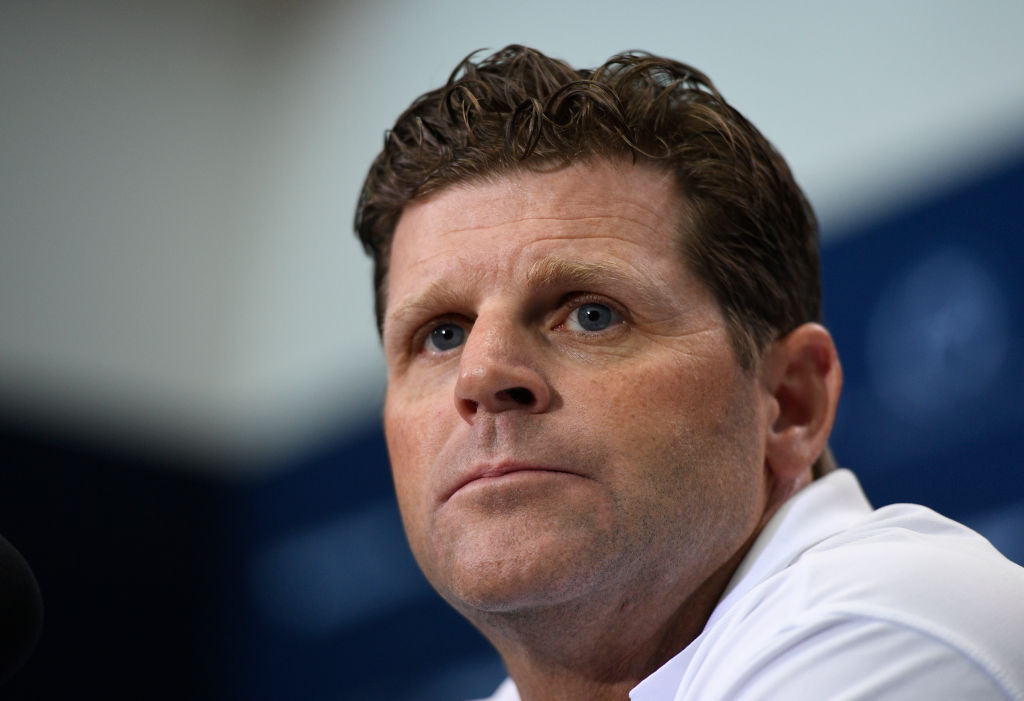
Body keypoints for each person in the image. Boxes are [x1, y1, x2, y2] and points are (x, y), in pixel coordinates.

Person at [354, 45, 1024, 701]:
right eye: (441, 334)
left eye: (591, 315)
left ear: (790, 402)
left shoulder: (891, 623)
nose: (482, 375)